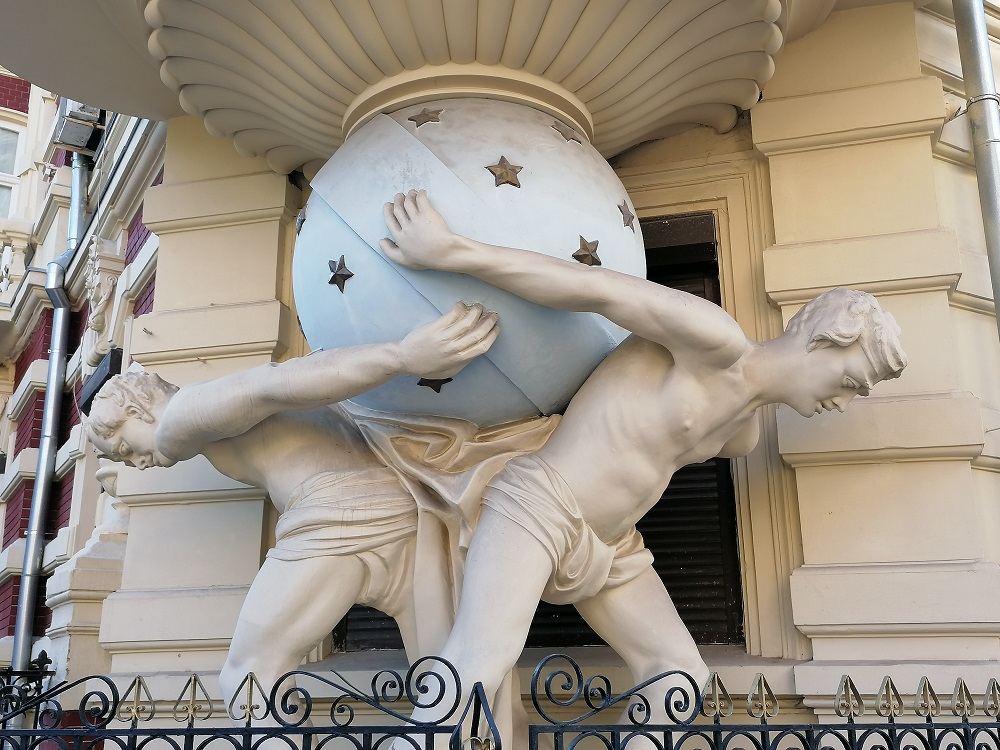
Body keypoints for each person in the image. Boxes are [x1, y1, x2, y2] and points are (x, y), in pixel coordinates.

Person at [381, 190, 908, 731]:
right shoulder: (714, 341)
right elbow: (592, 288)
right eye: (850, 382)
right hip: (540, 507)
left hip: (611, 545)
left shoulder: (742, 434)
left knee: (678, 675)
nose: (842, 402)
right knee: (478, 664)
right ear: (822, 341)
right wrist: (451, 251)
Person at [83, 302, 501, 715]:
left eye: (124, 448)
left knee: (248, 676)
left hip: (337, 516)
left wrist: (403, 356)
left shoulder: (178, 419)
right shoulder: (199, 412)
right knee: (450, 682)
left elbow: (273, 383)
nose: (138, 463)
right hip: (394, 507)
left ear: (136, 411)